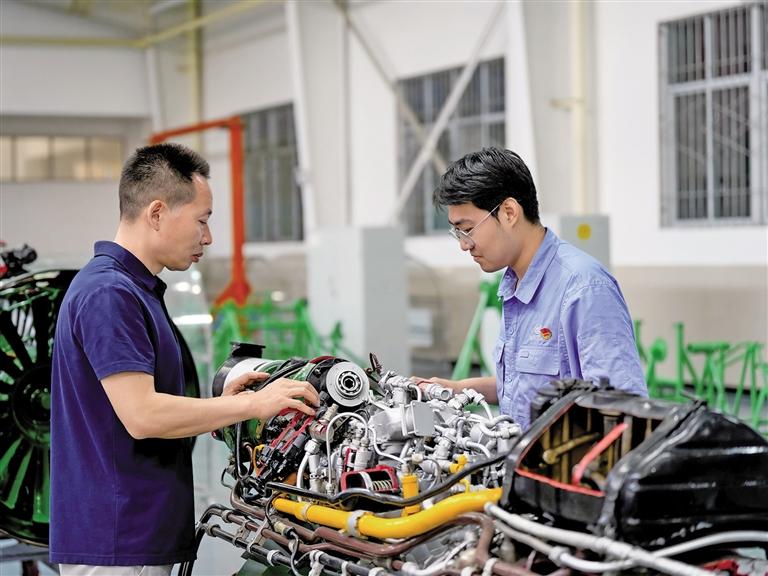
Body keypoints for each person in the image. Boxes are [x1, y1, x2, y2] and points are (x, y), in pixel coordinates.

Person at [49, 143, 320, 575]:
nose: (207, 238)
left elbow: (137, 407)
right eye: (202, 220)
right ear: (157, 213)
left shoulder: (130, 289)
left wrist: (226, 405)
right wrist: (253, 405)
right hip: (120, 542)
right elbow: (143, 416)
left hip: (133, 536)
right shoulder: (110, 294)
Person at [417, 147, 646, 430]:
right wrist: (456, 389)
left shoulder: (583, 288)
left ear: (509, 212)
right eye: (458, 233)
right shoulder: (514, 284)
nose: (464, 244)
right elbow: (523, 386)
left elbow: (623, 409)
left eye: (467, 229)